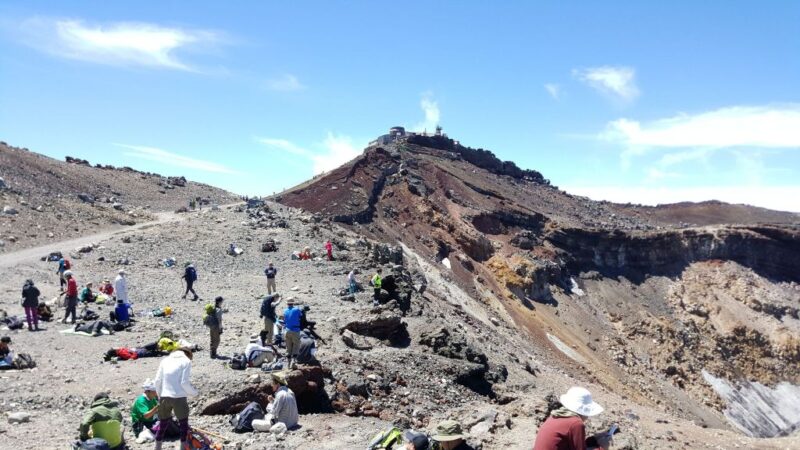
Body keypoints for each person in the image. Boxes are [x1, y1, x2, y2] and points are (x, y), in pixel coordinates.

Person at [532, 387, 611, 450]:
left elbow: (574, 445)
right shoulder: (576, 423)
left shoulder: (555, 415)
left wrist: (594, 439)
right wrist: (603, 447)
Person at [153, 347, 197, 449]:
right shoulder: (186, 361)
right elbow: (184, 383)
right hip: (179, 397)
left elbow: (157, 381)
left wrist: (160, 395)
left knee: (163, 423)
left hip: (164, 396)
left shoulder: (165, 360)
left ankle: (157, 447)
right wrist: (194, 393)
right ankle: (182, 447)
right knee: (183, 424)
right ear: (188, 354)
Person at [282, 300, 303, 367]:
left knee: (288, 347)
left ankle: (288, 363)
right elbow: (301, 316)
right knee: (296, 346)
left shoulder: (285, 311)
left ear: (287, 304)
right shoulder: (297, 309)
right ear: (293, 304)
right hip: (295, 330)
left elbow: (284, 320)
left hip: (287, 331)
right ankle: (293, 362)